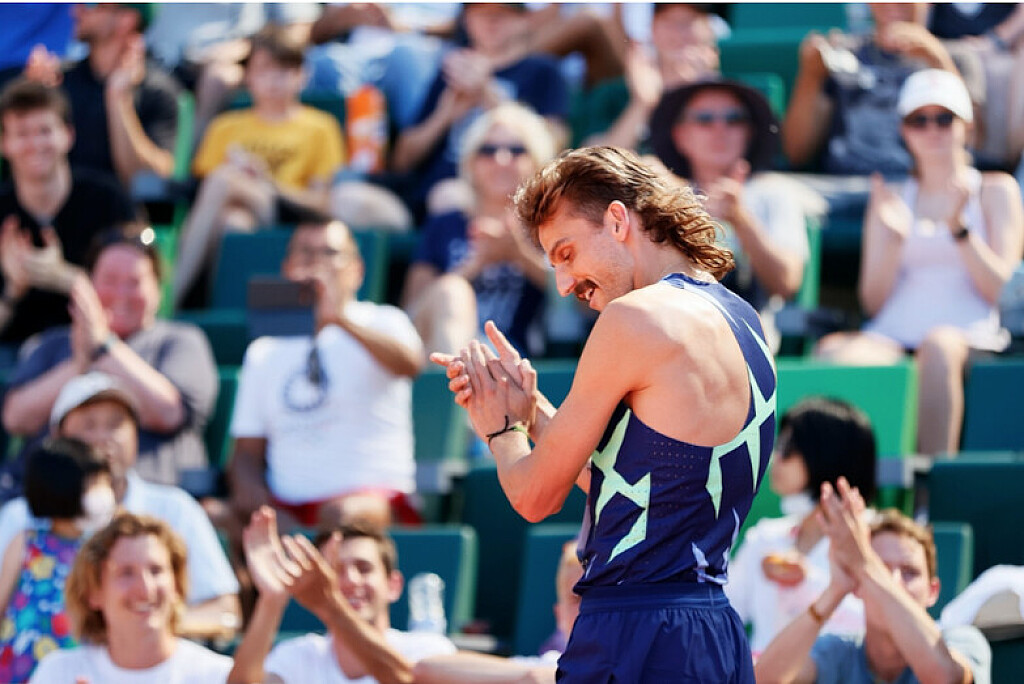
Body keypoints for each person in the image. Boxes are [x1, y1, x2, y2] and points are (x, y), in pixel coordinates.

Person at [433, 145, 776, 681]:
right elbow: (645, 492)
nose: (564, 283)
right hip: (711, 634)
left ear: (618, 221)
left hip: (633, 633)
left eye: (567, 253)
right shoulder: (744, 319)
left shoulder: (633, 318)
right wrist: (533, 412)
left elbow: (534, 495)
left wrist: (500, 428)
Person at [814, 69, 1024, 456]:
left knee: (939, 348)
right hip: (893, 335)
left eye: (944, 118)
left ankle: (930, 480)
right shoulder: (889, 197)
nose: (932, 129)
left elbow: (1001, 292)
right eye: (918, 120)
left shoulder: (997, 189)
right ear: (904, 130)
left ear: (967, 126)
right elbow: (873, 303)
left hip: (971, 335)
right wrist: (893, 242)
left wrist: (960, 230)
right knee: (831, 354)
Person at [219, 217, 423, 548]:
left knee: (338, 514)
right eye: (305, 253)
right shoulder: (264, 350)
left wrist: (337, 318)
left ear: (356, 270)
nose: (316, 263)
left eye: (329, 253)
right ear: (287, 268)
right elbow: (245, 453)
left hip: (374, 502)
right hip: (288, 509)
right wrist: (261, 505)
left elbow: (410, 363)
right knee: (212, 516)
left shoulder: (384, 321)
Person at [0, 372, 241, 640]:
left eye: (116, 424)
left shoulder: (175, 509)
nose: (104, 437)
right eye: (89, 425)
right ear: (59, 437)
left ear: (136, 434)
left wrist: (144, 622)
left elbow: (224, 612)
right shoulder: (20, 518)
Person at [3, 225, 218, 487]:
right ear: (89, 284)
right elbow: (16, 418)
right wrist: (79, 365)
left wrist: (104, 345)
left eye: (134, 282)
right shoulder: (51, 343)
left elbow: (169, 414)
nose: (121, 294)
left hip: (152, 494)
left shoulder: (181, 341)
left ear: (158, 289)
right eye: (110, 280)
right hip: (45, 496)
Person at [173, 25, 346, 308]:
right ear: (249, 76)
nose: (273, 81)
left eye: (283, 70)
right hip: (243, 213)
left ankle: (171, 295)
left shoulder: (321, 127)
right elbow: (205, 196)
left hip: (289, 213)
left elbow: (320, 203)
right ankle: (223, 310)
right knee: (232, 222)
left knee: (223, 179)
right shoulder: (225, 126)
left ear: (301, 75)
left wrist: (265, 181)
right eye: (265, 70)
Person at [754, 480, 991, 684]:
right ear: (859, 585)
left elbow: (945, 677)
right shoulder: (839, 651)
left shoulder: (963, 640)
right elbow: (762, 680)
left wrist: (865, 564)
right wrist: (835, 590)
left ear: (933, 591)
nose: (893, 582)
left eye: (910, 572)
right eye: (881, 569)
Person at [650, 77, 811, 349]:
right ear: (680, 136)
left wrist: (740, 219)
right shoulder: (661, 197)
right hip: (666, 337)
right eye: (704, 119)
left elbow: (786, 283)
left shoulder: (775, 193)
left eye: (734, 119)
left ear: (749, 133)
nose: (720, 129)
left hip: (745, 343)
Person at [230, 507, 457, 683]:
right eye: (335, 570)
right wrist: (271, 600)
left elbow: (406, 679)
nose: (351, 580)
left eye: (364, 568)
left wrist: (330, 605)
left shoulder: (427, 650)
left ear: (393, 585)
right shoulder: (299, 656)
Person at [725, 397, 877, 655]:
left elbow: (881, 626)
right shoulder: (764, 537)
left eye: (788, 448)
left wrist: (809, 581)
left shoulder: (877, 536)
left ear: (826, 454)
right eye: (778, 446)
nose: (776, 457)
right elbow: (727, 610)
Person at [401, 102, 554, 356]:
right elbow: (413, 310)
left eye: (516, 150)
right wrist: (476, 264)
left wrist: (519, 256)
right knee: (452, 292)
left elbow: (576, 303)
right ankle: (459, 376)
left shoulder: (549, 227)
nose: (501, 159)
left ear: (536, 163)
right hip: (442, 353)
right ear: (470, 162)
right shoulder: (445, 224)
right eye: (488, 150)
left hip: (511, 357)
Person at [391, 2, 569, 220]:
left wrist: (489, 96)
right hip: (427, 196)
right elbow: (401, 161)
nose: (491, 22)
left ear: (523, 20)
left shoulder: (542, 71)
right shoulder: (451, 71)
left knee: (450, 196)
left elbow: (554, 146)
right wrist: (445, 115)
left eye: (501, 14)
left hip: (508, 194)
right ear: (466, 21)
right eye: (480, 14)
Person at [0, 79, 138, 346]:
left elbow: (138, 300)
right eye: (22, 133)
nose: (34, 144)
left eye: (44, 131)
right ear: (4, 143)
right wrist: (12, 290)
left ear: (68, 135)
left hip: (102, 347)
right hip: (14, 355)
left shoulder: (108, 200)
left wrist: (64, 277)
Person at [29, 512, 236, 683]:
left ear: (176, 585)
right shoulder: (58, 673)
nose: (146, 589)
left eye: (156, 570)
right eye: (126, 573)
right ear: (93, 592)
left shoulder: (219, 675)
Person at [783, 3, 958, 175]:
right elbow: (796, 153)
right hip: (842, 182)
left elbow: (970, 141)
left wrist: (938, 60)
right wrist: (811, 76)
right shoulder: (839, 55)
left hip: (921, 184)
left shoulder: (955, 57)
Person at [23, 3, 180, 186]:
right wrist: (33, 95)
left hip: (122, 203)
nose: (76, 10)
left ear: (126, 20)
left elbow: (147, 179)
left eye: (91, 4)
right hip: (65, 200)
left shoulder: (159, 91)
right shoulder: (58, 79)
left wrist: (118, 97)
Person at [0, 437, 114, 683]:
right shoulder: (26, 542)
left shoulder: (103, 549)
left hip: (79, 671)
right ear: (61, 486)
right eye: (95, 482)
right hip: (19, 670)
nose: (106, 492)